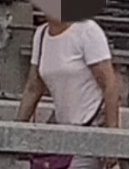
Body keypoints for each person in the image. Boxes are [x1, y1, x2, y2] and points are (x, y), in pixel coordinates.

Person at [18, 12, 122, 169]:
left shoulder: (87, 30)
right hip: (62, 131)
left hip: (90, 127)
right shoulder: (41, 35)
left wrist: (112, 138)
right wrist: (16, 128)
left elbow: (110, 85)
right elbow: (33, 87)